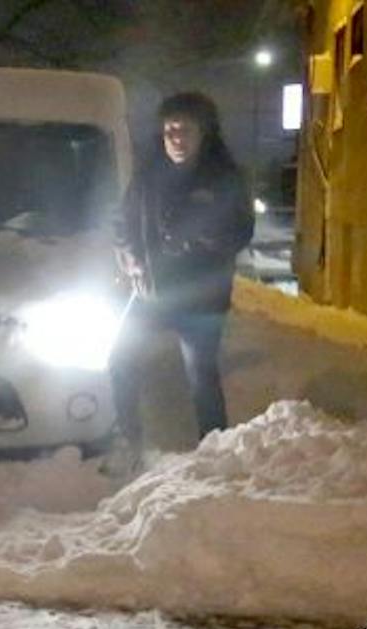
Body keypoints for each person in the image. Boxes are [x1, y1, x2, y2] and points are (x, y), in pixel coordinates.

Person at [108, 90, 255, 473]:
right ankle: (128, 441)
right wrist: (131, 257)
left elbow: (239, 231)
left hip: (201, 301)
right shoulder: (148, 175)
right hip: (151, 294)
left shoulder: (223, 178)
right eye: (170, 128)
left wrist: (196, 235)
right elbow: (122, 223)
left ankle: (214, 451)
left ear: (204, 132)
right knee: (119, 359)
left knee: (201, 377)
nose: (176, 136)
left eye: (184, 128)